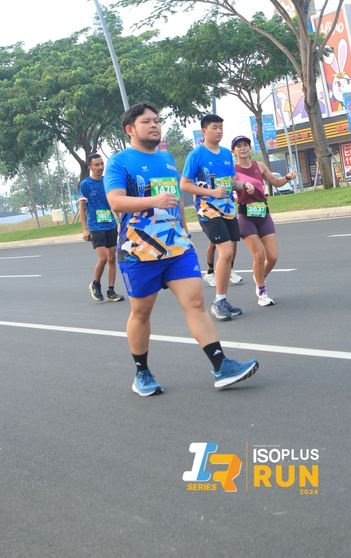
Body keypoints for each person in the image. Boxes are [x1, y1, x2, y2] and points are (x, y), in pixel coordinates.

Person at [104, 102, 258, 396]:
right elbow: (116, 202)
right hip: (140, 251)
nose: (154, 125)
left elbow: (174, 200)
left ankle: (221, 366)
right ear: (130, 129)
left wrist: (185, 232)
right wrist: (153, 201)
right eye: (147, 121)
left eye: (157, 120)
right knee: (141, 313)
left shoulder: (166, 159)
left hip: (176, 247)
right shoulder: (120, 162)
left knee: (196, 303)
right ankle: (142, 373)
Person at [181, 114, 254, 322]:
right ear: (204, 131)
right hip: (208, 211)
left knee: (231, 253)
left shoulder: (225, 154)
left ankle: (223, 299)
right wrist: (211, 193)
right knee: (226, 251)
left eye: (221, 127)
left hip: (228, 209)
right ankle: (218, 302)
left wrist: (244, 185)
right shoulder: (196, 155)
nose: (219, 131)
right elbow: (184, 184)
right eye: (215, 127)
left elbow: (231, 182)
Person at [231, 135, 296, 307]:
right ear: (234, 151)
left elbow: (276, 182)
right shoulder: (232, 169)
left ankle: (259, 276)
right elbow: (230, 186)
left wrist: (287, 177)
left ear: (250, 148)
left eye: (245, 145)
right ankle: (261, 291)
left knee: (272, 256)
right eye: (239, 146)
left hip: (263, 213)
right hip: (245, 216)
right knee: (259, 255)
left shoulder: (259, 166)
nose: (243, 148)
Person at [78, 153, 124, 303]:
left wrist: (121, 220)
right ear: (90, 167)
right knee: (103, 257)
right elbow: (82, 208)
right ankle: (95, 284)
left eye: (102, 163)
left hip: (110, 224)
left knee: (112, 258)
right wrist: (85, 229)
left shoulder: (107, 182)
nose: (100, 167)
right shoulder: (85, 184)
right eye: (96, 165)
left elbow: (114, 203)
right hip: (95, 226)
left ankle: (111, 291)